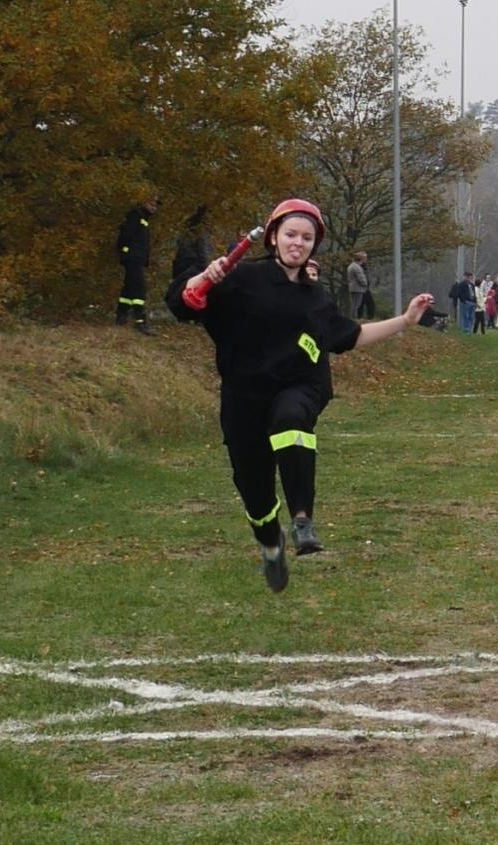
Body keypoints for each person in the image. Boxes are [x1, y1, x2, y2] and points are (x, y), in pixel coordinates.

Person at [166, 198, 434, 593]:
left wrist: (406, 321)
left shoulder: (316, 299)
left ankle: (303, 520)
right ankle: (272, 544)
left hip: (300, 387)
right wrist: (202, 278)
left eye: (307, 238)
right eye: (291, 234)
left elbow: (353, 335)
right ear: (273, 237)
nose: (298, 243)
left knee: (291, 420)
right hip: (243, 398)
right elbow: (183, 305)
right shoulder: (240, 278)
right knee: (254, 490)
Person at [115, 196, 158, 333]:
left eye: (155, 205)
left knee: (129, 287)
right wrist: (125, 251)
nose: (154, 207)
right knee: (139, 288)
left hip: (136, 257)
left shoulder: (144, 218)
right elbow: (125, 235)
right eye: (151, 203)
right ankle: (140, 321)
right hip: (133, 257)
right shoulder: (136, 215)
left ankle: (121, 315)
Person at [347, 252, 368, 317]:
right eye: (365, 258)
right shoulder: (356, 267)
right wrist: (365, 283)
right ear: (361, 258)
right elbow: (360, 278)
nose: (366, 259)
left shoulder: (352, 266)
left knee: (355, 304)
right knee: (356, 305)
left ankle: (354, 317)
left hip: (353, 287)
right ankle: (354, 318)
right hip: (357, 288)